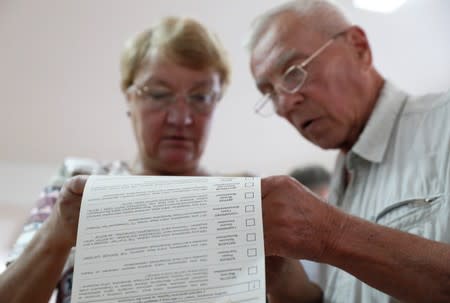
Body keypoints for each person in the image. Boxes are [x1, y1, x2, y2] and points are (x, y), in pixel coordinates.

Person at [0, 16, 232, 303]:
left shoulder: (237, 199)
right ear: (129, 98)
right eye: (159, 94)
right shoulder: (77, 182)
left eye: (200, 97)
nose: (181, 118)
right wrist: (57, 232)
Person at [248, 0, 450, 302]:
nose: (285, 104)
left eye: (293, 72)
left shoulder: (444, 124)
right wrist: (284, 282)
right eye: (269, 93)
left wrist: (331, 235)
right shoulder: (343, 180)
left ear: (359, 47)